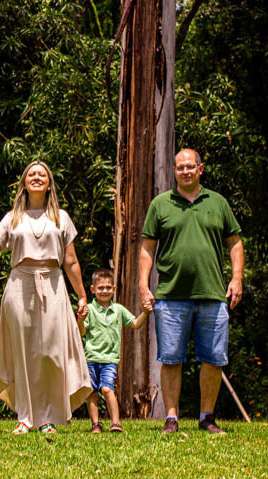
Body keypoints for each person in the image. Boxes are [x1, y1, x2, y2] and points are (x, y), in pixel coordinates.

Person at [0, 161, 92, 434]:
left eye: (42, 175)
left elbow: (70, 262)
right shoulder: (12, 218)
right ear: (24, 182)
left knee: (51, 352)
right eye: (31, 175)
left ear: (49, 184)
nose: (36, 178)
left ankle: (48, 417)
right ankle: (25, 417)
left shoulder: (62, 217)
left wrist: (81, 296)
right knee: (24, 352)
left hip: (54, 284)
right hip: (19, 285)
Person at [138, 148, 244, 434]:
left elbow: (235, 242)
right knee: (171, 358)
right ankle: (171, 418)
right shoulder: (161, 204)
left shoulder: (218, 202)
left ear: (201, 169)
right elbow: (147, 248)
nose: (185, 171)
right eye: (180, 167)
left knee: (213, 358)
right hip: (171, 296)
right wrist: (143, 286)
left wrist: (237, 279)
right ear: (174, 171)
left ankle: (206, 417)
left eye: (190, 167)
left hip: (212, 294)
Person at [77, 268, 153, 433]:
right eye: (100, 288)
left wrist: (145, 313)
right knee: (92, 392)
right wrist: (80, 320)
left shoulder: (118, 309)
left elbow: (135, 324)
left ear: (114, 289)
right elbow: (82, 332)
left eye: (108, 288)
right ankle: (95, 424)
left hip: (110, 359)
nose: (104, 291)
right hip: (91, 358)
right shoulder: (89, 310)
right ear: (93, 289)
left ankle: (115, 422)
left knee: (107, 388)